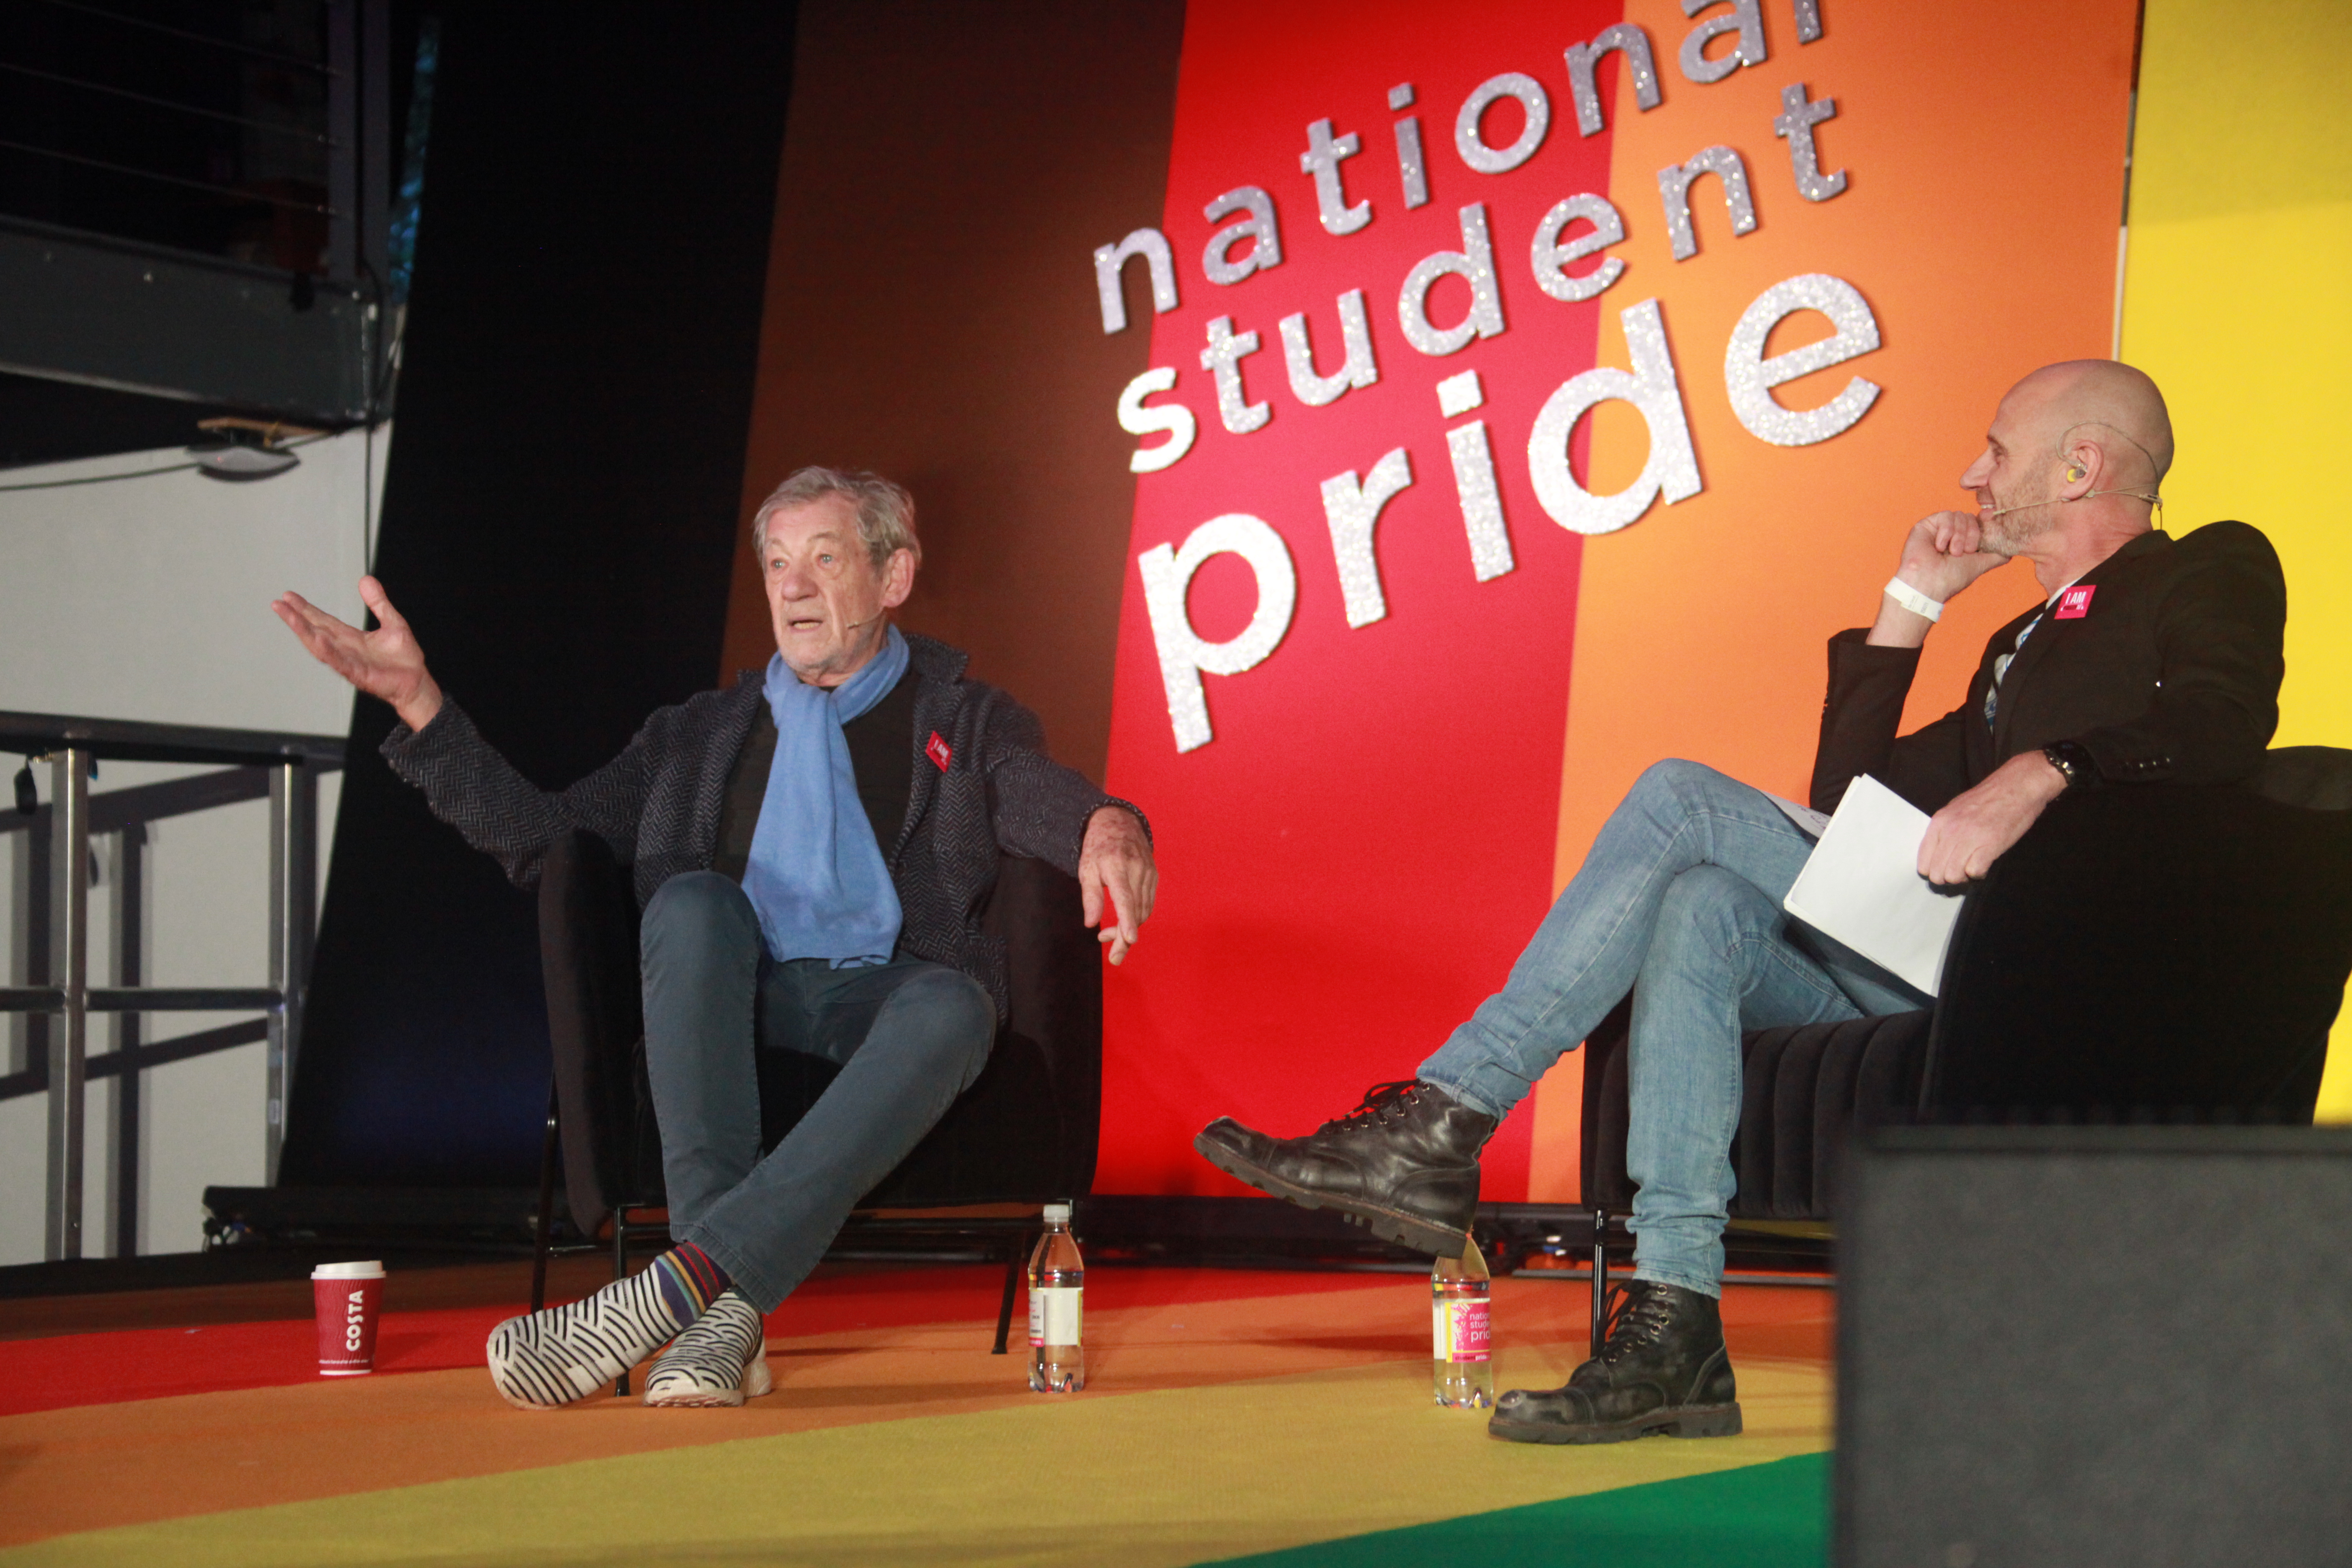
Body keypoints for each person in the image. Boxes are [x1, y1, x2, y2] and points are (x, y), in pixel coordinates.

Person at [1195, 361, 2285, 1445]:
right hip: (1957, 943)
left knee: (1681, 799)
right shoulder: (2018, 641)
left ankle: (1445, 1118)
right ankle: (1677, 1329)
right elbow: (1847, 807)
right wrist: (1910, 602)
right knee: (1704, 905)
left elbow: (2224, 721)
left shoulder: (2209, 567)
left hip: (2062, 951)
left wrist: (2040, 770)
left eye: (1998, 449)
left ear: (2082, 462)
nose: (1971, 472)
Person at [275, 466, 1156, 1410]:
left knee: (957, 1002)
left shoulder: (964, 716)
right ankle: (717, 1317)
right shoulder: (696, 736)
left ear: (894, 577)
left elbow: (1032, 789)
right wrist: (420, 708)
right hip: (744, 988)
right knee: (692, 904)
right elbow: (546, 843)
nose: (792, 585)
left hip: (889, 996)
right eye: (778, 563)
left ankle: (687, 1303)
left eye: (825, 558)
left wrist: (1108, 824)